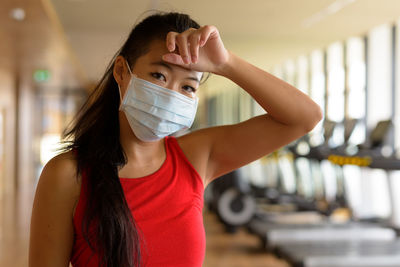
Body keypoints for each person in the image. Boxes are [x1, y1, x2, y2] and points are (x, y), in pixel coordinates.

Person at [29, 11, 322, 267]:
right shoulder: (67, 175)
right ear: (122, 72)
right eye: (159, 75)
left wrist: (226, 63)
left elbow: (304, 117)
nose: (171, 94)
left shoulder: (197, 157)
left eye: (188, 87)